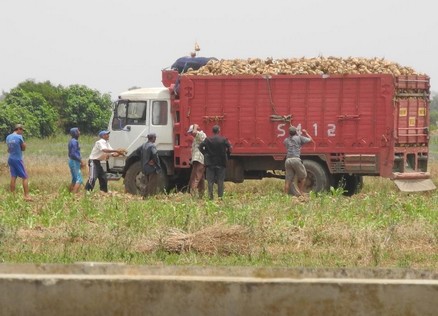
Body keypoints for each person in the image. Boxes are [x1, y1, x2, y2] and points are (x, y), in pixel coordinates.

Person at [199, 125, 232, 200]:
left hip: (210, 163)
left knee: (210, 181)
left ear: (212, 131)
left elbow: (200, 146)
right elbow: (230, 147)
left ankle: (210, 197)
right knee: (220, 181)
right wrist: (227, 155)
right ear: (219, 130)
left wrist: (205, 153)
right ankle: (220, 197)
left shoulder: (207, 139)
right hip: (221, 162)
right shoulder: (223, 139)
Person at [283, 126, 313, 196]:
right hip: (296, 159)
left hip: (288, 160)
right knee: (303, 176)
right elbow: (310, 140)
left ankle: (285, 195)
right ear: (296, 132)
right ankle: (301, 192)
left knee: (288, 179)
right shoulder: (299, 138)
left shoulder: (286, 140)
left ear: (289, 133)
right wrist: (306, 133)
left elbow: (285, 144)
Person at [6, 124, 32, 201]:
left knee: (13, 176)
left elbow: (8, 149)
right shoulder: (19, 137)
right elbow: (23, 148)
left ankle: (12, 195)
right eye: (22, 130)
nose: (22, 132)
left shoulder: (8, 137)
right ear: (19, 129)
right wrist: (24, 145)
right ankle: (27, 196)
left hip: (10, 158)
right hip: (17, 159)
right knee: (25, 177)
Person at [134, 133, 161, 198]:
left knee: (147, 182)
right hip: (152, 168)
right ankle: (149, 197)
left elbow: (137, 152)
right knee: (152, 183)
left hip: (145, 167)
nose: (155, 139)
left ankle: (144, 196)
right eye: (155, 137)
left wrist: (144, 159)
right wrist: (154, 162)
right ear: (153, 138)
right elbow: (155, 155)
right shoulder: (152, 146)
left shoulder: (143, 145)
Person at [187, 124, 207, 198]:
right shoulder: (196, 138)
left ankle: (193, 194)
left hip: (200, 160)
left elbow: (195, 132)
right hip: (197, 160)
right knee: (201, 178)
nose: (191, 134)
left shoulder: (201, 135)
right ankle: (201, 195)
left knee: (195, 177)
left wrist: (195, 126)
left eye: (191, 132)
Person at [68, 127, 86, 193]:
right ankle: (74, 195)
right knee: (79, 179)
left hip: (72, 161)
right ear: (75, 133)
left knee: (74, 179)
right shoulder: (74, 142)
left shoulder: (72, 141)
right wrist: (81, 161)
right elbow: (74, 153)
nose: (79, 132)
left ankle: (69, 193)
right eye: (78, 131)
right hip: (74, 161)